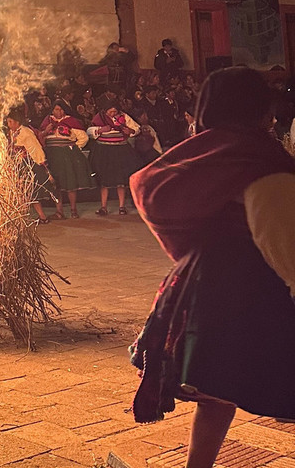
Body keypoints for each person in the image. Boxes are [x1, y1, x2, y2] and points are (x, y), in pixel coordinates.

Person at [128, 67, 295, 467]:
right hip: (256, 290)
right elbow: (282, 240)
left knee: (218, 392)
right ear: (258, 109)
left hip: (205, 285)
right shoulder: (258, 159)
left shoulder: (204, 152)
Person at [38, 100, 93, 218]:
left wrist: (73, 147)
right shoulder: (47, 121)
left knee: (70, 183)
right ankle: (59, 212)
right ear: (52, 110)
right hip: (52, 155)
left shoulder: (71, 121)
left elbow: (83, 138)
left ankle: (73, 210)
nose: (59, 112)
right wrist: (46, 131)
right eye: (56, 109)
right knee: (56, 184)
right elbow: (40, 136)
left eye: (61, 109)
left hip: (67, 155)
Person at [6, 108, 61, 223]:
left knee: (49, 188)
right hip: (22, 166)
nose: (9, 124)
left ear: (17, 122)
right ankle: (42, 216)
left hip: (33, 164)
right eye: (8, 122)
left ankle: (59, 212)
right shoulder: (12, 133)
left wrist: (42, 162)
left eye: (10, 122)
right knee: (30, 192)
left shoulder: (26, 132)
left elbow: (35, 148)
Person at [87, 101, 141, 215]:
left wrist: (130, 131)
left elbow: (136, 128)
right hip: (104, 151)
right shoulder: (100, 117)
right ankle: (103, 207)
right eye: (110, 112)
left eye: (114, 111)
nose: (112, 114)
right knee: (104, 179)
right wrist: (100, 130)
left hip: (121, 150)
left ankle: (122, 206)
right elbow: (89, 131)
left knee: (120, 179)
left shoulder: (124, 117)